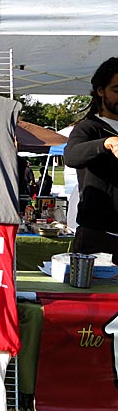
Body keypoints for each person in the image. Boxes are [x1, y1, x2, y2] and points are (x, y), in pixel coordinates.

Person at [64, 57, 118, 263]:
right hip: (97, 235)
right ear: (100, 91)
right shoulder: (88, 128)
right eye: (117, 90)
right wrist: (106, 143)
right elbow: (71, 156)